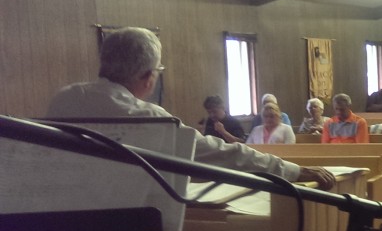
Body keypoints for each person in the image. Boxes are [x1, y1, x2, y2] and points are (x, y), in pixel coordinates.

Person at [46, 26, 334, 187]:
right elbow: (220, 153)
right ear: (149, 78)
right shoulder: (149, 118)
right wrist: (292, 171)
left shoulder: (64, 98)